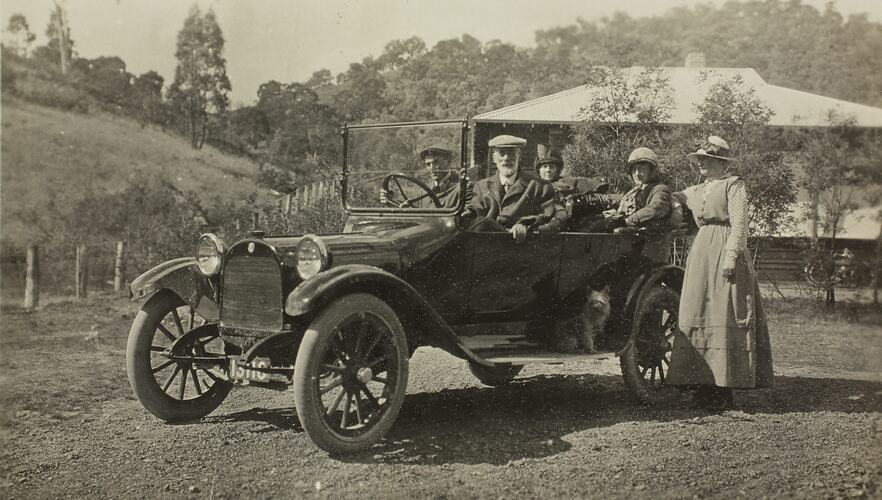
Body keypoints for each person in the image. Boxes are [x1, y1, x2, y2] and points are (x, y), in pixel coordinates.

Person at [666, 136, 774, 410]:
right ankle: (700, 385)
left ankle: (723, 389)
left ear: (721, 162)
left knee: (723, 313)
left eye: (707, 159)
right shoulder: (697, 189)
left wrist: (731, 256)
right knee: (697, 310)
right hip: (701, 252)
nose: (701, 163)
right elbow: (675, 195)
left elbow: (740, 225)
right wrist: (677, 205)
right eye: (700, 159)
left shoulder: (733, 185)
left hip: (726, 251)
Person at [468, 135, 567, 242]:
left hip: (523, 245)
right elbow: (475, 216)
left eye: (511, 153)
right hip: (488, 245)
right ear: (494, 158)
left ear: (519, 157)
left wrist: (524, 224)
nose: (506, 158)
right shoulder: (482, 187)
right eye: (502, 153)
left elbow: (548, 214)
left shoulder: (539, 186)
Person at [589, 147, 672, 233]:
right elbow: (617, 200)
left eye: (642, 168)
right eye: (634, 169)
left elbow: (656, 208)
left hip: (645, 234)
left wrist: (627, 221)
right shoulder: (633, 191)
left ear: (652, 170)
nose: (637, 174)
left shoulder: (660, 189)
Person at [535, 151, 613, 231]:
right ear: (539, 170)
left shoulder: (567, 182)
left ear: (556, 169)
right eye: (544, 167)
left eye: (551, 167)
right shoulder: (533, 185)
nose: (548, 170)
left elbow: (584, 184)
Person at [380, 146, 461, 208]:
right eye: (428, 164)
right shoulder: (425, 190)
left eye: (436, 162)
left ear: (447, 162)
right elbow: (413, 209)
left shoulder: (461, 188)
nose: (432, 168)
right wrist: (391, 201)